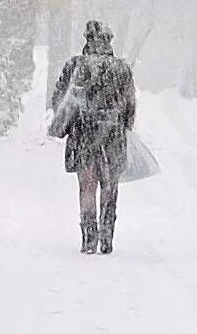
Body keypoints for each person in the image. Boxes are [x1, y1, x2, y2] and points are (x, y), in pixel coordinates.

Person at [52, 21, 136, 254]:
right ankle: (107, 237)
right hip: (113, 137)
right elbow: (130, 106)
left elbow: (59, 98)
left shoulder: (75, 66)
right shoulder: (122, 69)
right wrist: (122, 124)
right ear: (109, 42)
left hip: (83, 135)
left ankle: (89, 237)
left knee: (87, 186)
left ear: (87, 40)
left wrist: (69, 121)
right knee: (110, 187)